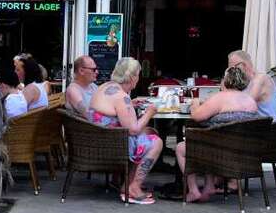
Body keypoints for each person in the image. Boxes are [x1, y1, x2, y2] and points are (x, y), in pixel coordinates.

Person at [176, 65, 259, 203]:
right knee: (210, 137)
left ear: (226, 80)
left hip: (218, 152)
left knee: (180, 148)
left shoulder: (220, 98)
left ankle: (193, 190)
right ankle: (209, 187)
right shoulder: (251, 101)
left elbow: (197, 116)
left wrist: (195, 103)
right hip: (243, 153)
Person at [88, 57, 163, 204]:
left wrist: (131, 105)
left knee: (149, 133)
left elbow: (113, 108)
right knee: (156, 142)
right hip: (113, 147)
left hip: (98, 141)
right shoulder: (122, 97)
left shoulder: (105, 87)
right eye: (138, 75)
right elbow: (133, 130)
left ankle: (127, 184)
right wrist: (149, 113)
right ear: (132, 77)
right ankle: (134, 187)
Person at [228, 50, 276, 121]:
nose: (232, 72)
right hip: (253, 127)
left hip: (268, 129)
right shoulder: (245, 82)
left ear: (243, 65)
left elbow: (245, 105)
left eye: (233, 68)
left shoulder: (261, 78)